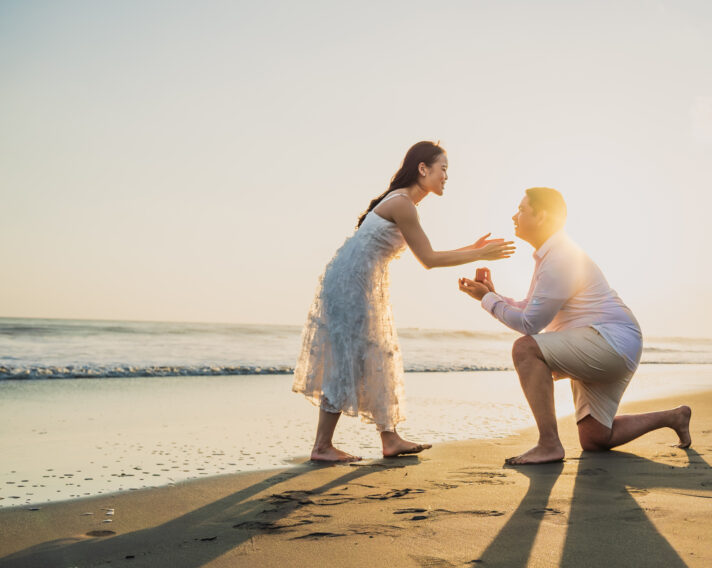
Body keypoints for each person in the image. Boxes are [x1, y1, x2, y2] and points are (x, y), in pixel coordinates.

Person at [293, 141, 515, 463]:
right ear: (422, 169)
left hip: (359, 281)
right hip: (351, 285)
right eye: (443, 169)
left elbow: (427, 251)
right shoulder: (403, 204)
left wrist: (472, 247)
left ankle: (390, 438)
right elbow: (428, 259)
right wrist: (479, 253)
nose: (446, 177)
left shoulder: (405, 203)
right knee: (350, 357)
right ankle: (323, 446)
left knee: (375, 352)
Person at [458, 187, 691, 465]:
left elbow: (530, 324)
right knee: (595, 438)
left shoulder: (561, 258)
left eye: (521, 209)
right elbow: (531, 307)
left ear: (542, 216)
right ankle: (673, 416)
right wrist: (492, 295)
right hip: (611, 344)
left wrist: (488, 300)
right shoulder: (553, 255)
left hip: (609, 342)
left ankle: (549, 444)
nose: (514, 215)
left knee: (525, 349)